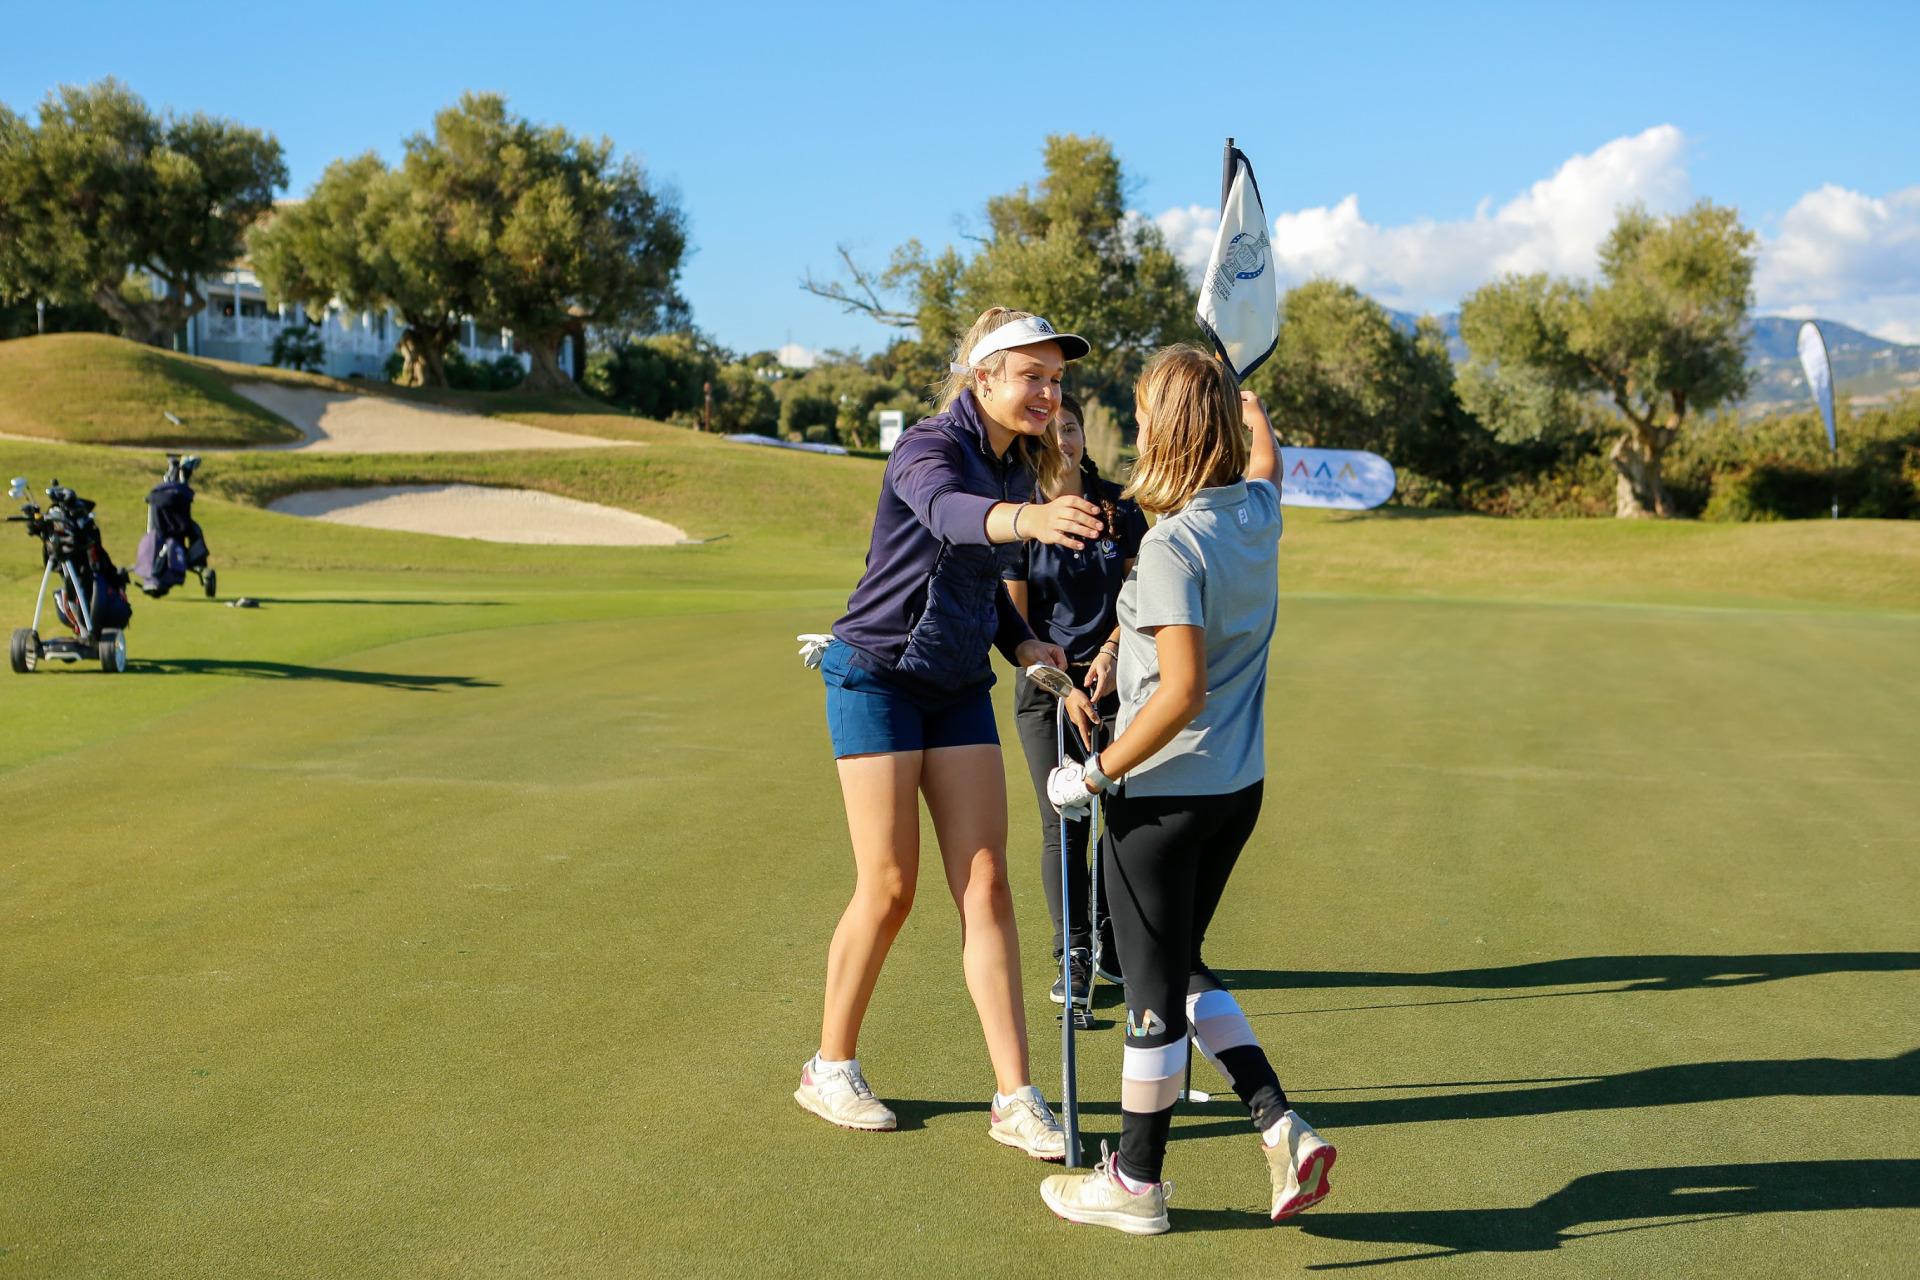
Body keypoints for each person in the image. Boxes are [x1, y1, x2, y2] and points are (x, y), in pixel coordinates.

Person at [1037, 345, 1338, 1234]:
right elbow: (1268, 460)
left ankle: (1136, 1183)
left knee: (1152, 993)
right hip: (1235, 790)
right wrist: (1251, 406)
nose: (1132, 430)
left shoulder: (1173, 543)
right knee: (1168, 964)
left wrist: (1092, 775)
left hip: (1162, 797)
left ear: (1168, 429)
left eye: (1140, 416)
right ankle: (1276, 1120)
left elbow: (1180, 690)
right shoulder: (1258, 511)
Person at [796, 307, 1104, 1163]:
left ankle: (1015, 1096)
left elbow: (982, 586)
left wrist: (1024, 643)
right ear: (984, 379)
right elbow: (947, 516)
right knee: (891, 886)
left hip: (960, 684)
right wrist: (1030, 521)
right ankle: (830, 1067)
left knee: (986, 884)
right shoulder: (927, 448)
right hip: (875, 677)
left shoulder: (1016, 466)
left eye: (1055, 378)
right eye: (1029, 375)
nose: (1047, 391)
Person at [1004, 394, 1149, 1006]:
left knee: (1122, 821)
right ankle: (1074, 951)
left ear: (1084, 436)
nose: (1062, 435)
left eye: (1072, 426)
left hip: (1118, 684)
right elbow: (1015, 626)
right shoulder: (1019, 516)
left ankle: (1117, 945)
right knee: (1064, 820)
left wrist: (1113, 652)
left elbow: (1141, 593)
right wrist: (1064, 689)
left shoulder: (1121, 506)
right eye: (1052, 428)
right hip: (1047, 689)